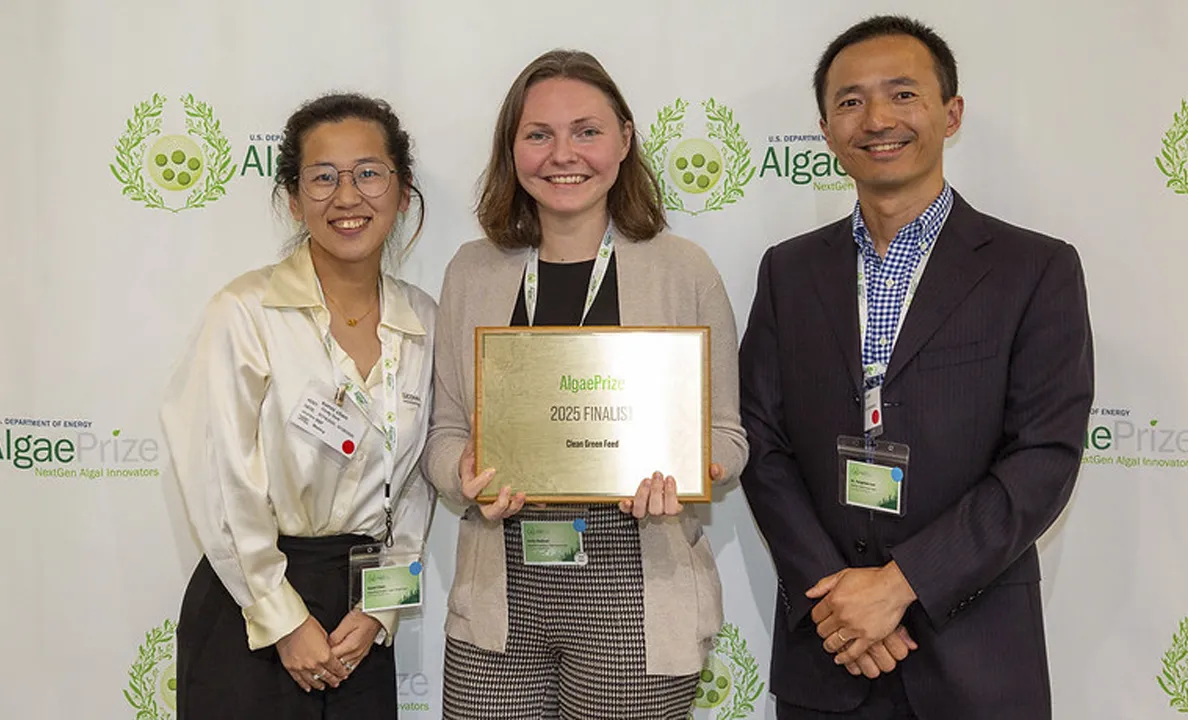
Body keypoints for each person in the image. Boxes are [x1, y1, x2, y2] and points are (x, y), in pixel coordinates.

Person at [738, 16, 1093, 720]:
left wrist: (899, 585)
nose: (876, 119)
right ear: (826, 128)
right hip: (828, 655)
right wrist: (835, 600)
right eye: (850, 101)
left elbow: (1043, 457)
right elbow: (761, 438)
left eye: (902, 94)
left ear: (949, 113)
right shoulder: (789, 270)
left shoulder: (1035, 268)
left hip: (976, 656)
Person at [424, 49, 748, 719]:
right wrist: (460, 471)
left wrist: (697, 469)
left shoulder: (683, 270)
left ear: (625, 140)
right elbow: (446, 429)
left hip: (636, 581)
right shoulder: (472, 272)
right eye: (538, 134)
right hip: (499, 587)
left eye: (587, 131)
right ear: (512, 149)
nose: (562, 154)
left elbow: (726, 433)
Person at [160, 92, 437, 720]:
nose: (347, 196)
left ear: (401, 189)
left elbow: (419, 486)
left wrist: (381, 608)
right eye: (323, 177)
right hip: (251, 610)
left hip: (360, 622)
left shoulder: (424, 320)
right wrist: (282, 618)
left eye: (369, 173)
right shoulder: (245, 312)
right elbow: (218, 478)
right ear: (292, 196)